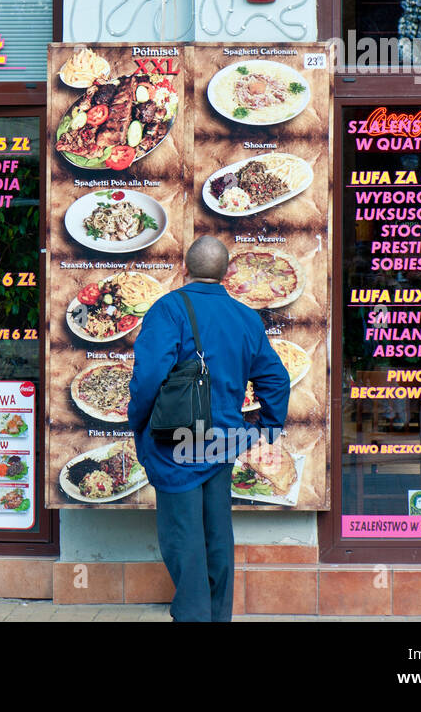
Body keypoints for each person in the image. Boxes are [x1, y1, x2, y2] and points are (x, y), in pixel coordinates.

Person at [127, 235, 289, 622]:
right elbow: (276, 379)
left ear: (186, 268)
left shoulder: (169, 310)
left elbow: (149, 378)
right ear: (226, 273)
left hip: (175, 443)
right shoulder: (246, 316)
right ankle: (218, 616)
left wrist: (139, 422)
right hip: (223, 442)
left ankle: (193, 617)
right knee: (217, 533)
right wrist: (268, 428)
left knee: (183, 538)